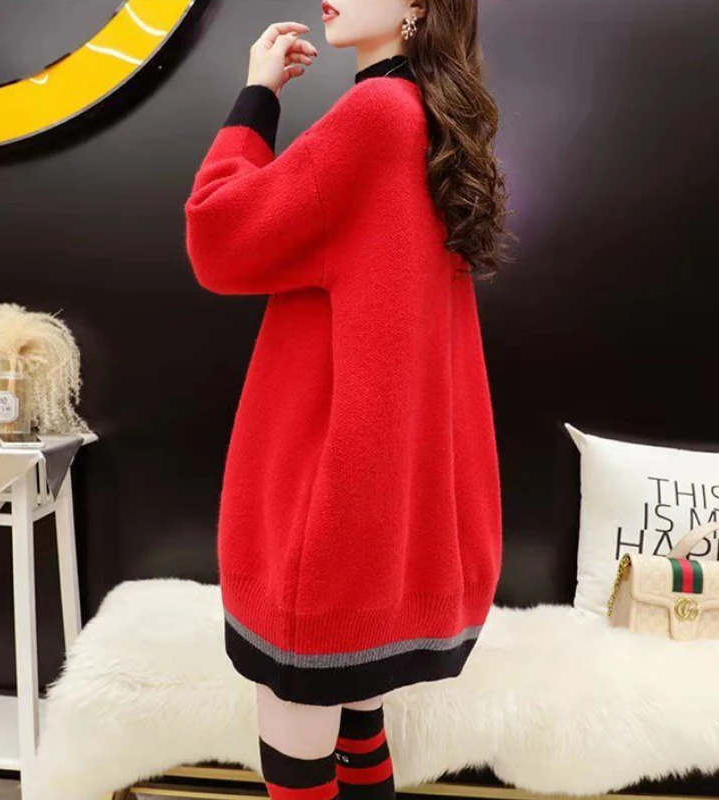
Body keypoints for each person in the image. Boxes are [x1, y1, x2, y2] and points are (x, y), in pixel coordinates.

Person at [183, 2, 513, 799]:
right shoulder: (430, 122)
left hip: (323, 518)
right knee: (358, 728)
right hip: (390, 518)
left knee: (299, 750)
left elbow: (216, 235)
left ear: (418, 6)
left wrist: (257, 97)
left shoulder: (373, 117)